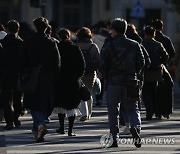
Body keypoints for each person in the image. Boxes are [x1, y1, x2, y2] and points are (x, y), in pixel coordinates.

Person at [99, 18, 145, 148]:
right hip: (130, 81)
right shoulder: (134, 44)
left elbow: (102, 65)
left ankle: (114, 138)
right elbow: (142, 62)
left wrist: (105, 74)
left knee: (113, 111)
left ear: (113, 29)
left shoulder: (108, 46)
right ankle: (136, 128)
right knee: (133, 108)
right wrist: (134, 72)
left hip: (114, 83)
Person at [22, 17, 61, 142]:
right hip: (47, 76)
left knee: (33, 104)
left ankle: (38, 127)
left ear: (35, 27)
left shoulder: (28, 41)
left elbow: (23, 60)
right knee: (45, 103)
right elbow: (57, 63)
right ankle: (39, 126)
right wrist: (54, 76)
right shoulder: (51, 42)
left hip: (31, 75)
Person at [54, 28, 85, 136]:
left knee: (61, 105)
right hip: (73, 80)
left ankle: (61, 127)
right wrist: (78, 76)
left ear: (58, 36)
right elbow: (82, 65)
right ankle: (70, 130)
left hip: (59, 80)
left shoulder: (56, 47)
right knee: (72, 106)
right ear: (69, 36)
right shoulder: (75, 48)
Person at [0, 20, 23, 130]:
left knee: (6, 98)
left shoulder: (2, 43)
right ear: (18, 29)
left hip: (5, 74)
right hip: (18, 74)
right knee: (17, 97)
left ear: (7, 29)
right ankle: (16, 119)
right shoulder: (21, 43)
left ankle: (9, 121)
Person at [142, 26, 169, 120]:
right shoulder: (158, 44)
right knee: (155, 92)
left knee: (145, 93)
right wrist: (160, 62)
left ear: (145, 34)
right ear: (154, 34)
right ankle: (157, 111)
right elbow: (166, 56)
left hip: (145, 72)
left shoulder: (141, 44)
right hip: (157, 72)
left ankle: (149, 111)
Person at [76, 27, 100, 121]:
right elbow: (98, 61)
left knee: (80, 93)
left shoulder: (76, 45)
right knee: (89, 93)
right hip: (91, 74)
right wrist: (98, 71)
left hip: (79, 73)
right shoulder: (93, 46)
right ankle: (89, 113)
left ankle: (83, 113)